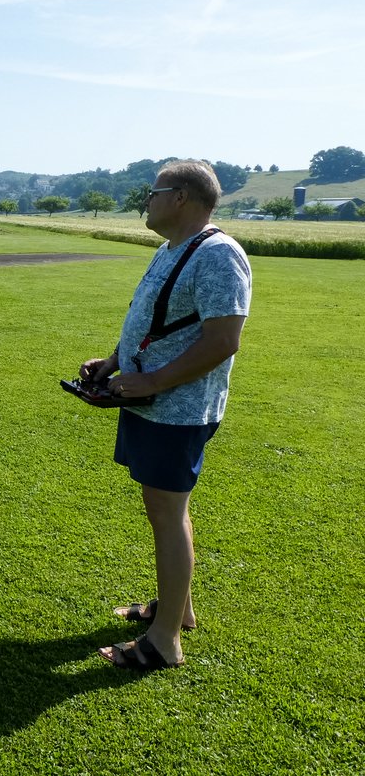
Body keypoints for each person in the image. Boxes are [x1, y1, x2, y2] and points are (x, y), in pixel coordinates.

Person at [78, 159, 251, 671]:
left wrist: (152, 380)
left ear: (180, 197)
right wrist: (115, 361)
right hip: (151, 403)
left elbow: (223, 341)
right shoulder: (172, 248)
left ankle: (165, 640)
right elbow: (154, 321)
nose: (146, 202)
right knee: (165, 510)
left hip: (177, 410)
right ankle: (179, 610)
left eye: (153, 193)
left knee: (167, 513)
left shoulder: (218, 255)